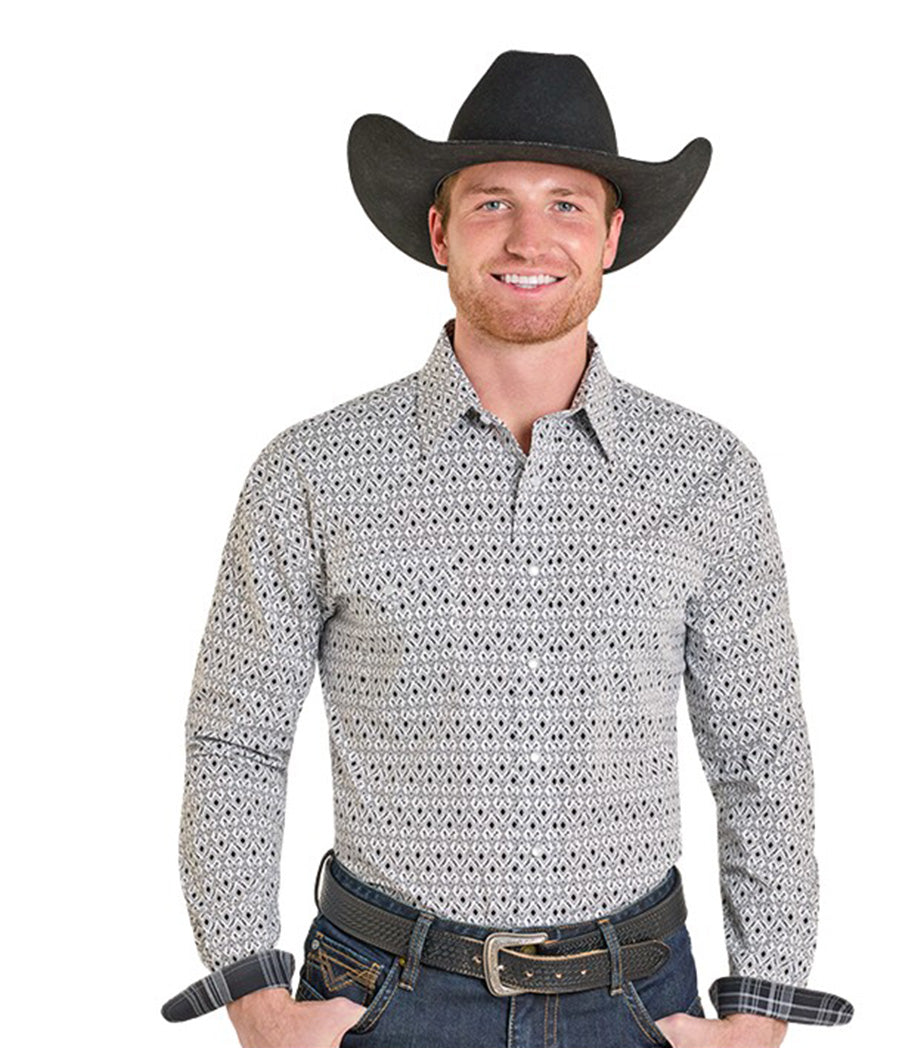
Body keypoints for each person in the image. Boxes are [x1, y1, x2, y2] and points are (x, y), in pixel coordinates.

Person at [161, 50, 854, 1048]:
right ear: (440, 230)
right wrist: (255, 998)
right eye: (493, 203)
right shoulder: (313, 469)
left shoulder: (707, 473)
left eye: (566, 205)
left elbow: (762, 752)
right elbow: (238, 738)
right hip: (381, 998)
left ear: (610, 236)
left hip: (639, 1002)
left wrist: (762, 1007)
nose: (530, 238)